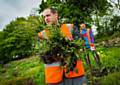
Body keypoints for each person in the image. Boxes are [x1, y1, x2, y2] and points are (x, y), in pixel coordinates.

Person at [38, 7, 87, 85]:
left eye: (48, 15)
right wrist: (55, 53)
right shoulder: (42, 35)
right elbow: (41, 55)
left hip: (75, 73)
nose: (46, 18)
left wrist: (71, 45)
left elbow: (81, 44)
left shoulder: (70, 27)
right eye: (44, 17)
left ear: (56, 15)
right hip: (54, 77)